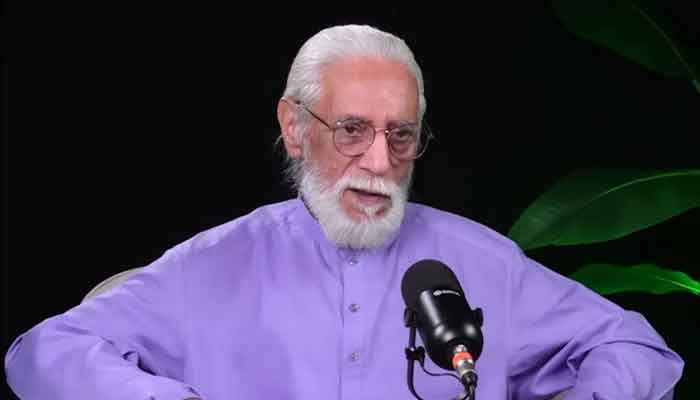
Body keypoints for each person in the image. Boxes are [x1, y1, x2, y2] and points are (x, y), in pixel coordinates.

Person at [4, 24, 684, 400]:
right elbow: (43, 353)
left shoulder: (483, 264)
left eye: (402, 136)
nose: (380, 162)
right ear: (295, 128)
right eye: (352, 130)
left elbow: (638, 349)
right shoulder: (211, 266)